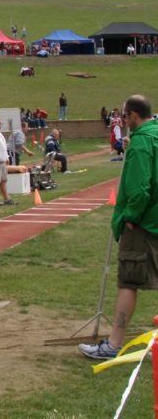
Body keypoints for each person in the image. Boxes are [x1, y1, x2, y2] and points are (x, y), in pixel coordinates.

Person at [79, 96, 158, 359]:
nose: (123, 121)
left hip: (143, 224)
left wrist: (130, 217)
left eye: (125, 116)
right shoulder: (155, 134)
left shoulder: (141, 142)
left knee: (128, 281)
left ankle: (113, 344)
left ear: (134, 115)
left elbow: (139, 188)